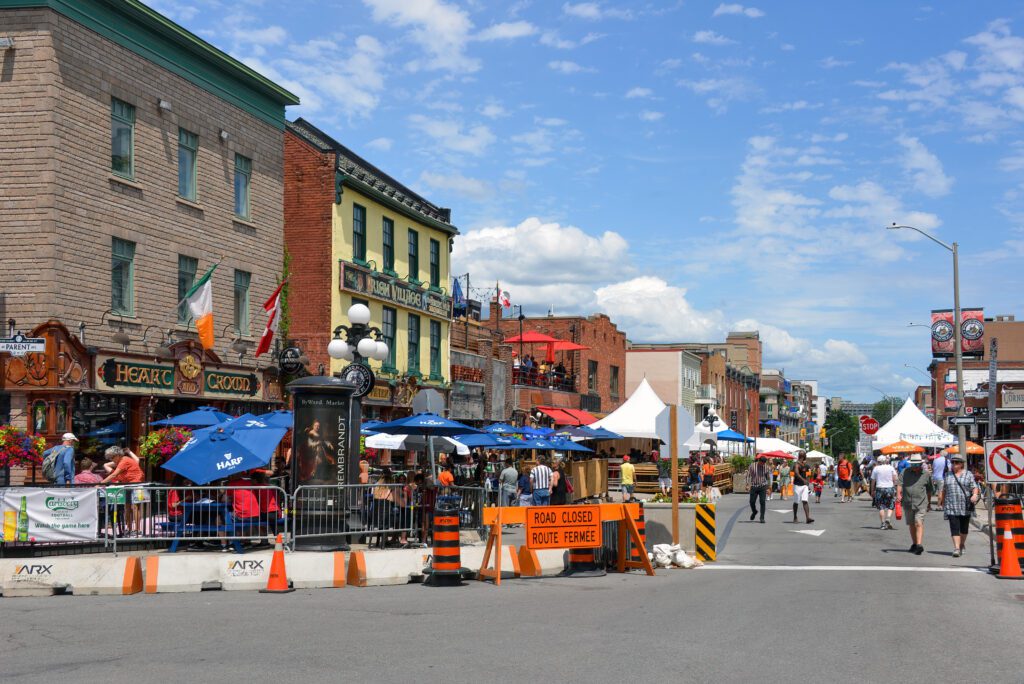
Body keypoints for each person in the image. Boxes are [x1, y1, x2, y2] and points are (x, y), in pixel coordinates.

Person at [938, 453, 979, 558]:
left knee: (964, 528)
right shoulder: (947, 475)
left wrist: (975, 495)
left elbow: (974, 487)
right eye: (952, 462)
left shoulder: (968, 474)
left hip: (965, 505)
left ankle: (961, 544)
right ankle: (956, 548)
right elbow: (944, 489)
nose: (954, 464)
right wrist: (942, 502)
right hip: (951, 505)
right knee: (954, 527)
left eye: (956, 462)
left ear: (961, 464)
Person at [897, 454, 934, 555]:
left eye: (917, 465)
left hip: (921, 503)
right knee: (911, 524)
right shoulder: (905, 472)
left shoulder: (926, 474)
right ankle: (914, 543)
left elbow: (929, 490)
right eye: (913, 465)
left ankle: (919, 545)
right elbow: (899, 483)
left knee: (918, 522)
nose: (915, 467)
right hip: (908, 502)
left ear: (921, 464)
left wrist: (929, 503)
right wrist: (898, 494)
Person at [870, 455, 898, 530]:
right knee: (891, 505)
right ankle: (888, 518)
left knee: (881, 506)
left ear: (878, 461)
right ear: (885, 461)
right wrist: (895, 488)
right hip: (890, 488)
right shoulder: (891, 467)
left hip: (879, 488)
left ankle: (883, 524)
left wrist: (872, 491)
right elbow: (895, 478)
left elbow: (873, 481)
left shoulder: (876, 468)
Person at [747, 454, 771, 523]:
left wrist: (768, 488)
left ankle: (762, 518)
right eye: (761, 463)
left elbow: (768, 478)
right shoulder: (752, 466)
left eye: (764, 463)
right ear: (759, 461)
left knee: (762, 501)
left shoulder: (766, 467)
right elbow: (748, 475)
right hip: (754, 486)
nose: (762, 464)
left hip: (762, 486)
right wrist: (747, 484)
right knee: (752, 501)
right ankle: (754, 511)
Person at [791, 452, 815, 524]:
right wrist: (804, 480)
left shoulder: (805, 465)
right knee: (796, 502)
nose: (805, 456)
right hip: (797, 485)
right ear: (802, 456)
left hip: (804, 486)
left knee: (805, 501)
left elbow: (808, 474)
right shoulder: (796, 464)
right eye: (805, 455)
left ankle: (807, 518)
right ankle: (795, 517)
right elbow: (796, 473)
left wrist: (807, 482)